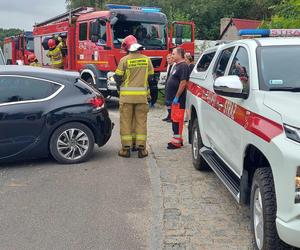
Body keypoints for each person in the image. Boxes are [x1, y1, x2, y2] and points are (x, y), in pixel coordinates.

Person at [114, 35, 155, 158]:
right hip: (142, 98)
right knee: (141, 122)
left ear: (127, 48)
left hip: (126, 98)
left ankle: (126, 149)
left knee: (126, 122)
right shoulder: (147, 60)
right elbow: (151, 78)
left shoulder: (124, 60)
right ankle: (141, 149)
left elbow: (117, 77)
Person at [166, 47, 189, 149]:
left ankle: (177, 142)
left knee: (177, 120)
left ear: (180, 54)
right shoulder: (176, 66)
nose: (172, 55)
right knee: (174, 119)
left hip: (178, 100)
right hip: (173, 99)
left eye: (174, 54)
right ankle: (176, 139)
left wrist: (177, 96)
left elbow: (183, 82)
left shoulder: (183, 66)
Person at [162, 54, 175, 122]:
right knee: (167, 101)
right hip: (167, 84)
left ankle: (172, 116)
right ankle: (169, 115)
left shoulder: (175, 66)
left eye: (169, 58)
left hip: (173, 86)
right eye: (167, 59)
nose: (167, 60)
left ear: (173, 59)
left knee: (171, 101)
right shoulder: (168, 66)